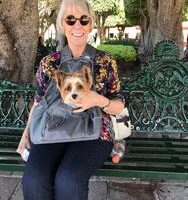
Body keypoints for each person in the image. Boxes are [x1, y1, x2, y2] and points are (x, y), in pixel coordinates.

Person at [16, 0, 125, 199]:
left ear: (91, 24)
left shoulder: (105, 61)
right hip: (52, 130)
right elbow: (38, 102)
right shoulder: (49, 63)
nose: (77, 25)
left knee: (69, 180)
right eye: (70, 19)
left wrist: (98, 100)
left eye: (84, 20)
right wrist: (25, 138)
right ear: (62, 24)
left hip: (94, 133)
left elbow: (118, 105)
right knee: (34, 179)